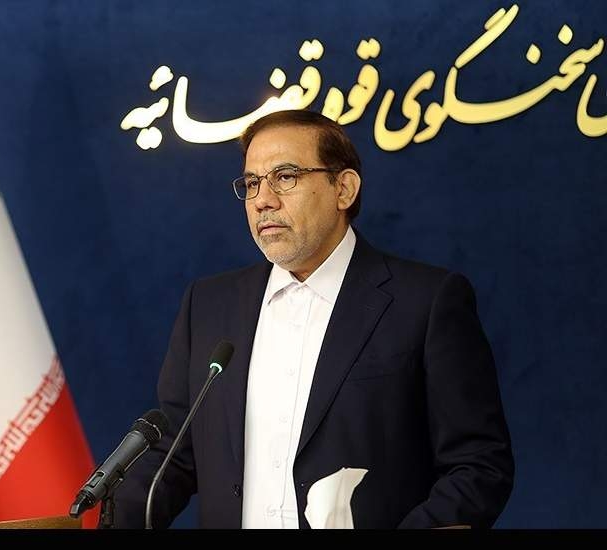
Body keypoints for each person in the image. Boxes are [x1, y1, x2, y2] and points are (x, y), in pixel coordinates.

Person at [113, 109, 514, 529]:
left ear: (344, 188)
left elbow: (479, 464)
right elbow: (173, 455)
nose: (263, 200)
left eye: (285, 177)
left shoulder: (425, 302)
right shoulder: (209, 305)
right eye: (252, 183)